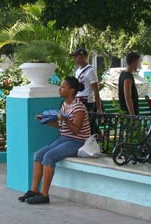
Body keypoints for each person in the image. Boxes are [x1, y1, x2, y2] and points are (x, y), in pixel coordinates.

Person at [18, 76, 91, 205]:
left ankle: (44, 195)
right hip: (63, 138)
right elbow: (61, 126)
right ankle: (34, 191)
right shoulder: (64, 104)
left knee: (49, 157)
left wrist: (66, 120)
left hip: (77, 141)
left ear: (72, 90)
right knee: (39, 154)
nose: (60, 89)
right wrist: (46, 121)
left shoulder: (79, 107)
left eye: (63, 87)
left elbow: (75, 130)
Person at [72, 48, 102, 114]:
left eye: (76, 56)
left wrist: (99, 108)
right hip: (78, 100)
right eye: (74, 56)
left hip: (87, 100)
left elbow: (96, 90)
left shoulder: (90, 70)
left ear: (84, 57)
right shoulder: (78, 70)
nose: (74, 58)